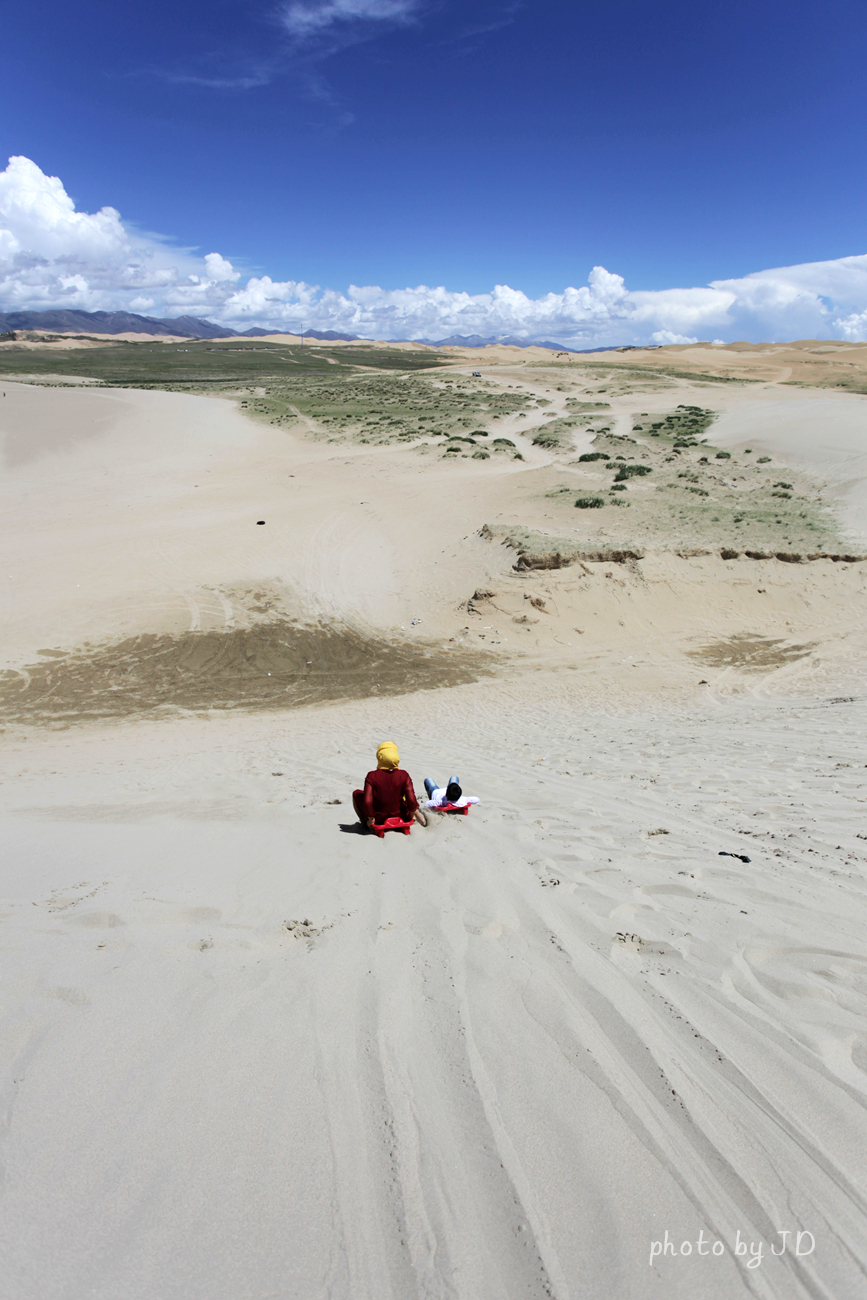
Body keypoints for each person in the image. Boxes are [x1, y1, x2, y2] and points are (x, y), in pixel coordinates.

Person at [352, 742, 427, 831]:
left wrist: (371, 818)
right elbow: (411, 799)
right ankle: (412, 818)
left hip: (378, 818)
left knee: (356, 793)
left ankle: (364, 823)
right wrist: (412, 816)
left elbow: (368, 802)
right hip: (401, 815)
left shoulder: (371, 776)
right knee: (406, 800)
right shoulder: (404, 775)